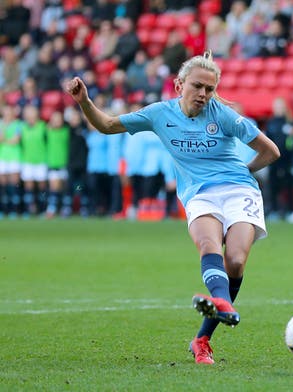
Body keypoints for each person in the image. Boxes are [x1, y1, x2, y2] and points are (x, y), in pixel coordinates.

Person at [66, 51, 280, 365]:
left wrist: (243, 171)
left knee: (235, 261)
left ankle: (202, 336)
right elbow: (108, 125)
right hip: (199, 193)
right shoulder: (159, 114)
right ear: (179, 85)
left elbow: (270, 151)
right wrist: (84, 100)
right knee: (208, 245)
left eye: (209, 89)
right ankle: (220, 304)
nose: (204, 94)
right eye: (197, 86)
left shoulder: (222, 115)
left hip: (238, 190)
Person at [0, 105, 23, 218]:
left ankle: (16, 209)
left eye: (9, 113)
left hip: (15, 156)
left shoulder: (18, 124)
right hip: (2, 156)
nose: (7, 115)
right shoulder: (1, 124)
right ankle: (4, 209)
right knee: (3, 184)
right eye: (6, 113)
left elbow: (16, 140)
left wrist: (5, 140)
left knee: (14, 183)